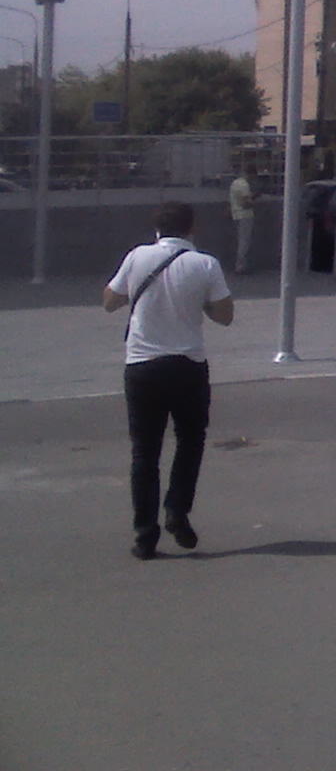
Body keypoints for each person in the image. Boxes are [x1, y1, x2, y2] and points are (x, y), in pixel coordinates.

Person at [103, 202, 234, 560]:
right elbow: (225, 316)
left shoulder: (137, 256)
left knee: (144, 452)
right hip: (188, 365)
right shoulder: (205, 264)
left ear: (157, 229)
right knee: (190, 440)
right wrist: (198, 301)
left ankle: (145, 534)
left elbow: (110, 301)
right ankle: (177, 510)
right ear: (192, 228)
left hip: (142, 366)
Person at [227, 168, 256, 275]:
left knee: (240, 240)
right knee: (244, 242)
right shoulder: (244, 185)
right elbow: (246, 203)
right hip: (245, 215)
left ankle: (239, 265)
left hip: (236, 214)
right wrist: (254, 201)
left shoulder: (234, 183)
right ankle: (241, 266)